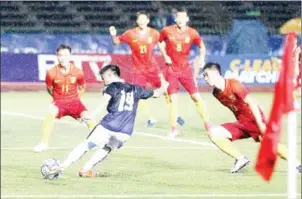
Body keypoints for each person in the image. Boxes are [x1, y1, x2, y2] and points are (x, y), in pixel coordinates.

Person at [44, 64, 169, 178]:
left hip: (109, 125)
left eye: (104, 77)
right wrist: (164, 86)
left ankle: (61, 167)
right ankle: (86, 169)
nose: (103, 81)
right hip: (125, 132)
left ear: (111, 75)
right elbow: (157, 94)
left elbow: (103, 103)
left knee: (86, 144)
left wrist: (92, 115)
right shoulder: (136, 88)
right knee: (107, 148)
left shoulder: (112, 87)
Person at [202, 62, 301, 173]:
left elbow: (252, 102)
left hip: (253, 119)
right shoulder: (216, 93)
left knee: (269, 144)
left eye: (206, 74)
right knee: (214, 132)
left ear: (216, 73)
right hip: (242, 123)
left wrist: (260, 123)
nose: (205, 78)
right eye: (203, 76)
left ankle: (297, 165)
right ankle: (240, 159)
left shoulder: (233, 84)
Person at [109, 11, 184, 127]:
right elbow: (116, 42)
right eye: (140, 19)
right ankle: (150, 118)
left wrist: (166, 56)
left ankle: (175, 114)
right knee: (138, 94)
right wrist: (113, 34)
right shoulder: (130, 34)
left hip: (153, 69)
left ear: (148, 21)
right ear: (137, 21)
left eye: (144, 19)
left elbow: (160, 44)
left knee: (166, 90)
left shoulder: (154, 33)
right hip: (138, 71)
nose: (142, 21)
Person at [33, 45, 96, 152]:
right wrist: (57, 99)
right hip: (59, 103)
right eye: (60, 55)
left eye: (65, 55)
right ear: (57, 56)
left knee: (90, 120)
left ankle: (97, 142)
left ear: (70, 56)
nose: (62, 58)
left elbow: (82, 88)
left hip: (75, 103)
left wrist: (76, 99)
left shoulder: (78, 72)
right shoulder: (51, 73)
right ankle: (43, 143)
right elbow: (49, 89)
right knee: (50, 113)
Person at [158, 8, 209, 137]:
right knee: (173, 100)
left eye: (183, 18)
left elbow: (202, 47)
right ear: (175, 19)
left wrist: (202, 58)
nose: (180, 20)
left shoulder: (192, 33)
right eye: (178, 18)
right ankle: (174, 128)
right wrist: (165, 56)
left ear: (187, 19)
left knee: (196, 97)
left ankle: (208, 124)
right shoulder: (167, 30)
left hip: (186, 70)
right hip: (171, 70)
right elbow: (159, 42)